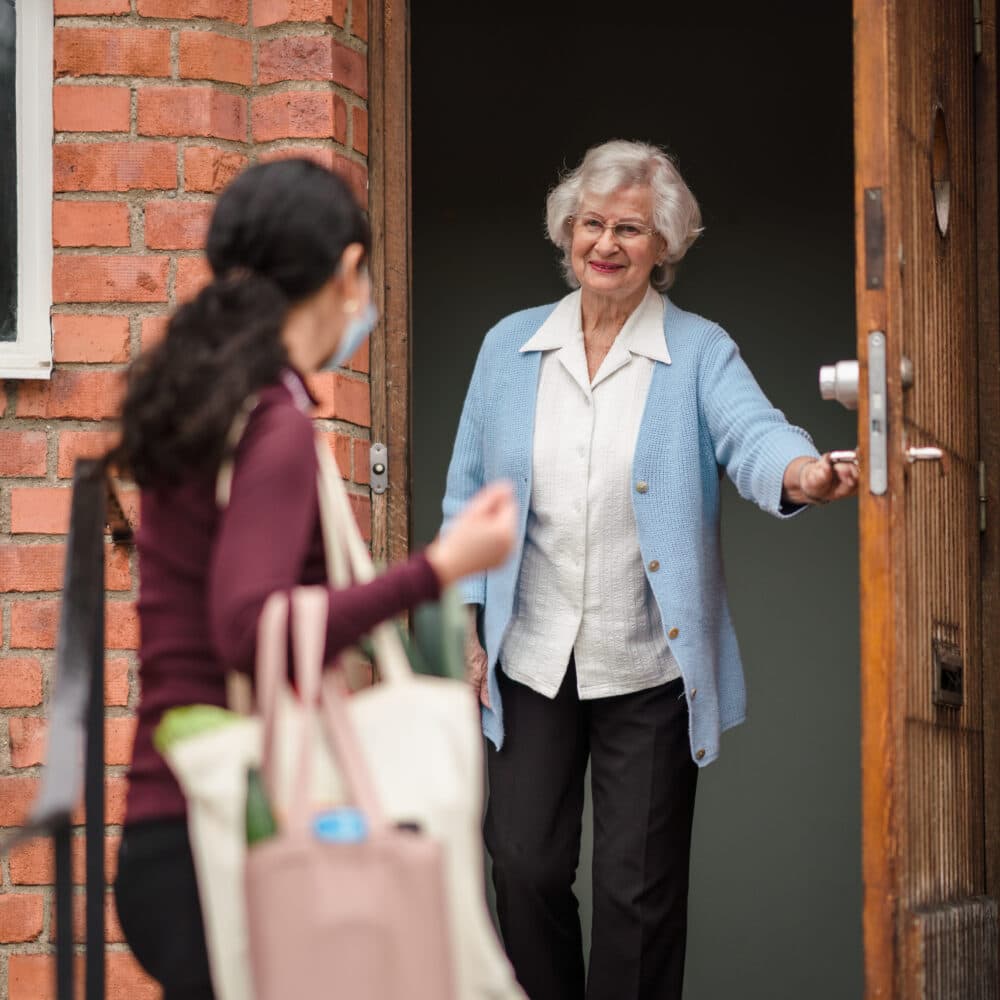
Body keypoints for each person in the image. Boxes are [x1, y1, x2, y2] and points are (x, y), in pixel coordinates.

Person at [442, 139, 858, 1000]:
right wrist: (463, 623)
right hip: (532, 657)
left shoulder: (698, 352)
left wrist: (803, 473)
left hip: (649, 668)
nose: (607, 244)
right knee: (521, 869)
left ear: (664, 245)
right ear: (566, 233)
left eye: (630, 229)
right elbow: (466, 503)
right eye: (591, 224)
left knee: (640, 899)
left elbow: (753, 433)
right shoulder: (507, 349)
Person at [109, 159, 516, 1000]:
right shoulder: (277, 423)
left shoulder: (205, 404)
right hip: (229, 835)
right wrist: (439, 569)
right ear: (345, 272)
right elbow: (252, 627)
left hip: (173, 827)